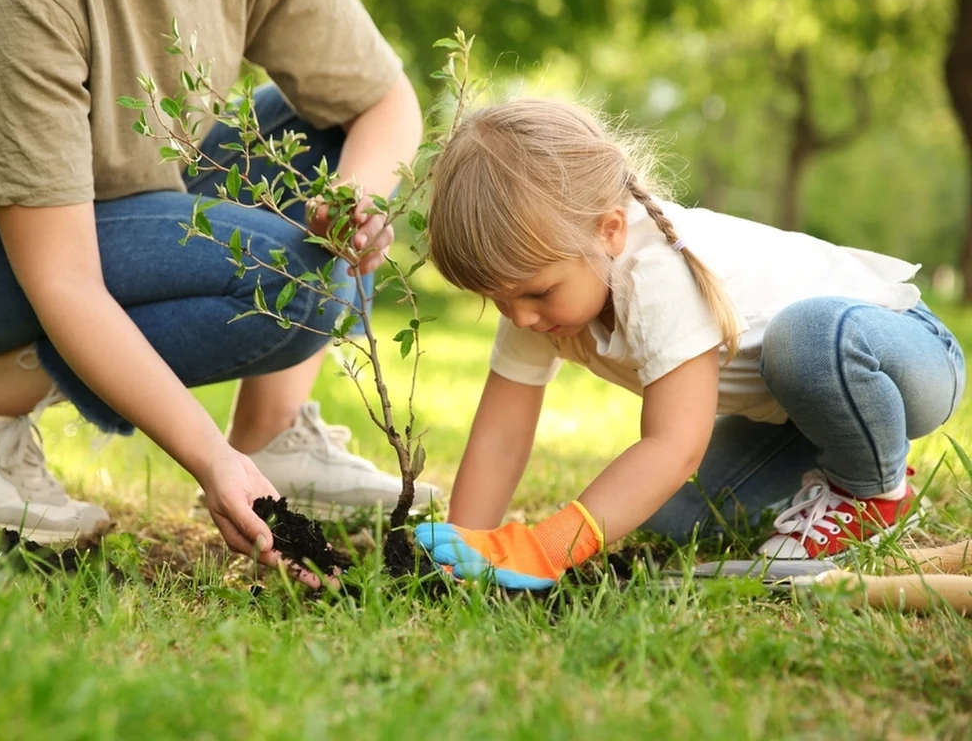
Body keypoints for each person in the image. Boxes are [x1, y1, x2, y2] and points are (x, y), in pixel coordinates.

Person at [0, 0, 441, 567]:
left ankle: (275, 436)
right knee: (290, 283)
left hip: (129, 196)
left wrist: (355, 197)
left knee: (328, 138)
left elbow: (382, 101)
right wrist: (212, 459)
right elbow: (64, 280)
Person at [413, 99, 965, 590]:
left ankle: (873, 493)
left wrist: (550, 547)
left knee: (807, 335)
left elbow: (674, 446)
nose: (521, 317)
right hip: (796, 413)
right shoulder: (539, 297)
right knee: (668, 517)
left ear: (608, 231)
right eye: (499, 301)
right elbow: (500, 438)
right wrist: (467, 546)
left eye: (536, 294)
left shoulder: (659, 271)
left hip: (900, 358)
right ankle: (828, 471)